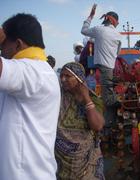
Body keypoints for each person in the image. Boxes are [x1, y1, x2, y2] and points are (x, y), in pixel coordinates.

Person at [0, 13, 61, 180]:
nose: (2, 52)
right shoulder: (39, 70)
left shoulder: (32, 70)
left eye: (2, 46)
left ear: (18, 44)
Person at [55, 62, 105, 180]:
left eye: (68, 76)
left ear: (79, 78)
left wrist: (86, 97)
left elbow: (97, 126)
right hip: (61, 161)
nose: (63, 79)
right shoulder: (58, 96)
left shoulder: (93, 100)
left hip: (85, 162)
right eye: (62, 76)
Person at [81, 4, 121, 107]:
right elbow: (117, 52)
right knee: (108, 93)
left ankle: (109, 117)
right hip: (110, 68)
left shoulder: (98, 30)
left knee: (107, 99)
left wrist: (90, 16)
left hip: (101, 68)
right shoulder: (118, 35)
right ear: (114, 21)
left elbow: (83, 30)